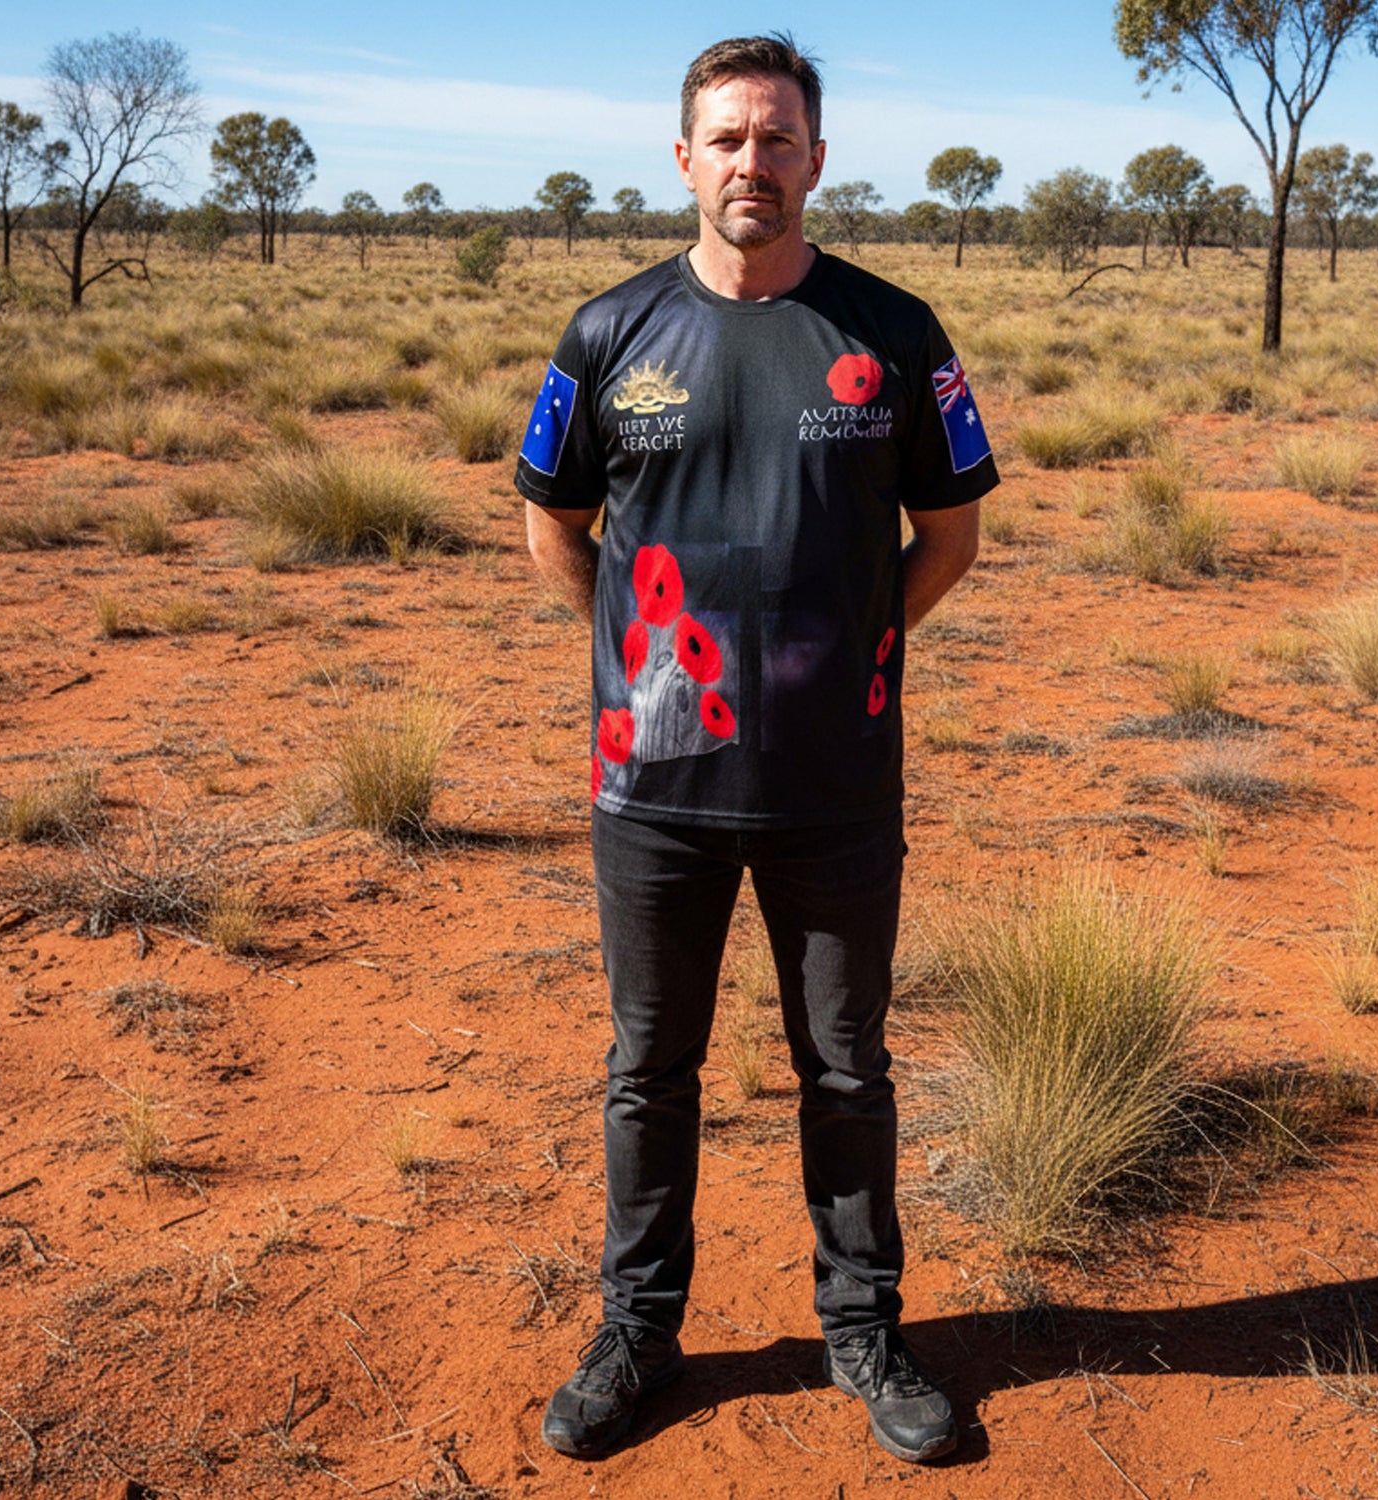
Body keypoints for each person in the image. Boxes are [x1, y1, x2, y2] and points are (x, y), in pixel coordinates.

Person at [517, 33, 998, 1465]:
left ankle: (864, 1327)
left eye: (778, 137)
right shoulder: (608, 334)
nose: (753, 162)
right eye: (727, 138)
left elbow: (951, 534)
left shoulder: (895, 333)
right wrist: (639, 657)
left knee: (845, 1069)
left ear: (817, 160)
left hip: (835, 786)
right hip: (653, 788)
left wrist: (850, 649)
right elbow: (553, 519)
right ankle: (639, 1330)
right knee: (648, 1068)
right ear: (684, 159)